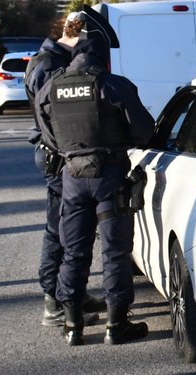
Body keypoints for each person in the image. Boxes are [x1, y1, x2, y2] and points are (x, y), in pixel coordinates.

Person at [37, 27, 155, 346]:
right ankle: (116, 325)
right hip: (110, 176)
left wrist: (69, 150)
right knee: (115, 251)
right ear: (104, 59)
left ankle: (73, 325)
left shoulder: (51, 87)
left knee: (74, 251)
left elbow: (45, 131)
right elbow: (144, 130)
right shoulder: (113, 85)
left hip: (72, 178)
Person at [25, 10, 104, 327]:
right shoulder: (48, 65)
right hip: (59, 156)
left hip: (67, 155)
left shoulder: (54, 60)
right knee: (59, 230)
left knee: (77, 230)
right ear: (79, 37)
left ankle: (74, 294)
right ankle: (54, 301)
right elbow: (53, 120)